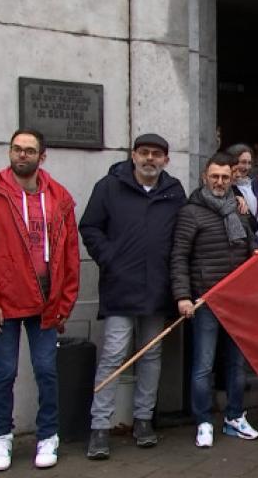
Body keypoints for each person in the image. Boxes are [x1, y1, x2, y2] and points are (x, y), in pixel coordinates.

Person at [0, 129, 80, 471]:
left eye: (29, 150)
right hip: (5, 302)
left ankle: (48, 435)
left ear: (41, 157)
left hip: (46, 303)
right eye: (16, 149)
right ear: (10, 152)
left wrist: (65, 302)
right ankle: (0, 437)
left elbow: (70, 255)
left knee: (46, 371)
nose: (22, 155)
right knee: (4, 373)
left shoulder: (59, 198)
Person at [81, 133, 186, 459]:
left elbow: (184, 233)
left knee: (151, 357)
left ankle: (143, 420)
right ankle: (99, 426)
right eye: (144, 152)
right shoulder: (108, 187)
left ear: (166, 160)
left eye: (156, 154)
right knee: (113, 355)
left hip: (158, 288)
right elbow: (90, 227)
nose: (149, 158)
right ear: (133, 155)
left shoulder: (175, 192)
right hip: (120, 287)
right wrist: (110, 258)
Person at [172, 153, 258, 448]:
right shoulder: (190, 212)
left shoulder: (239, 209)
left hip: (237, 300)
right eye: (215, 177)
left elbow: (251, 245)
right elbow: (179, 256)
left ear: (231, 179)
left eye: (225, 177)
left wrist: (256, 252)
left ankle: (234, 417)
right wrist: (183, 296)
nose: (220, 182)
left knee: (237, 364)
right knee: (203, 365)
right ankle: (204, 422)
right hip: (206, 300)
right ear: (204, 178)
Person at [227, 143, 258, 246]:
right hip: (246, 244)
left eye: (249, 163)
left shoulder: (254, 184)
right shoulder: (227, 189)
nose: (247, 167)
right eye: (243, 162)